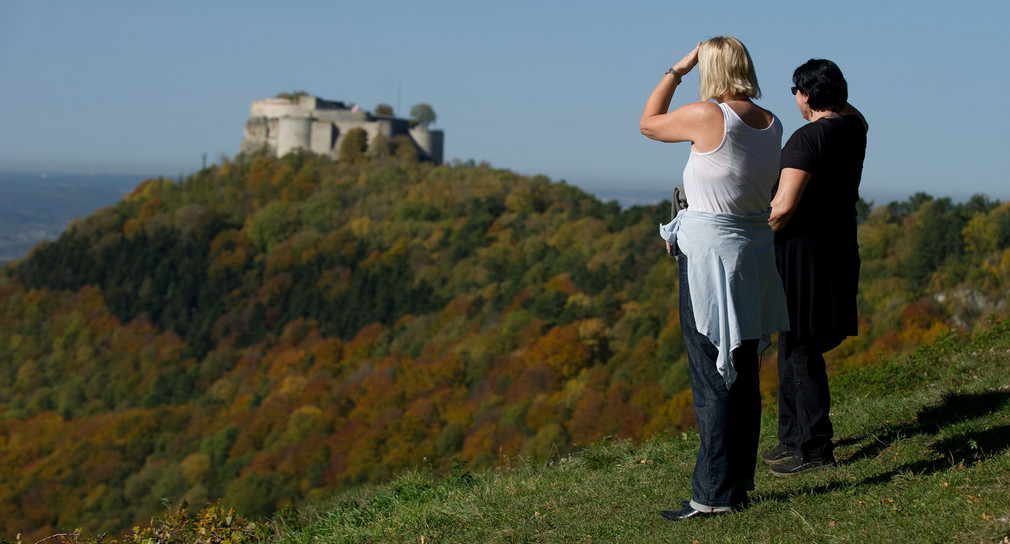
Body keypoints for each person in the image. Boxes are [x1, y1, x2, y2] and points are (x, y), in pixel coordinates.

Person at [640, 36, 791, 520]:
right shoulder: (772, 123)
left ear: (711, 69)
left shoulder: (710, 115)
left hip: (711, 258)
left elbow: (647, 125)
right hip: (753, 252)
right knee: (743, 371)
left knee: (711, 374)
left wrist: (676, 69)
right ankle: (736, 484)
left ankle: (711, 496)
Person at [763, 59, 868, 476]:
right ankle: (791, 436)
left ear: (804, 95)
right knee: (792, 344)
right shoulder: (852, 129)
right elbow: (856, 113)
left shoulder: (807, 139)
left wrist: (751, 236)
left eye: (796, 91)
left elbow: (783, 206)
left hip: (801, 253)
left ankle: (814, 449)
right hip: (838, 246)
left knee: (800, 347)